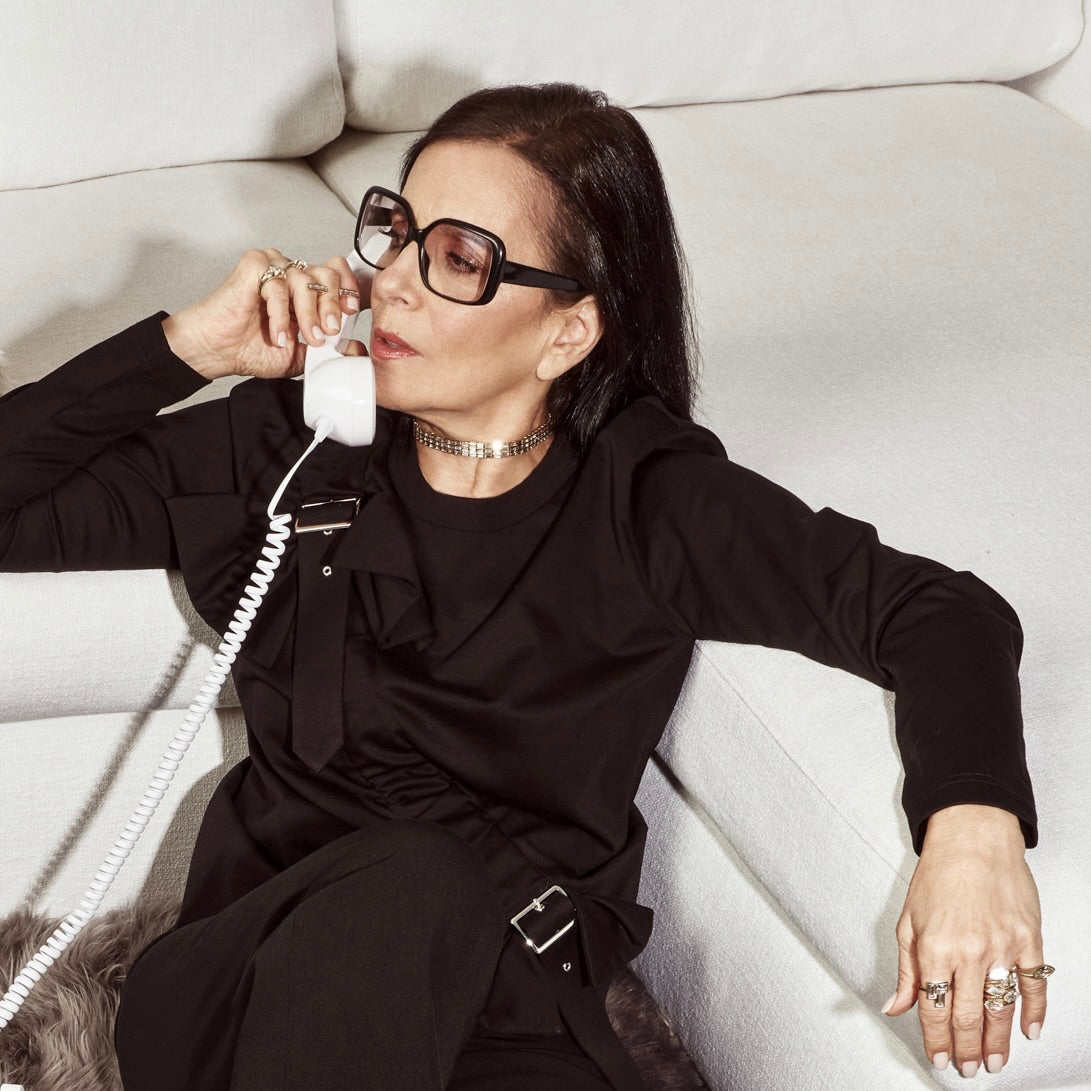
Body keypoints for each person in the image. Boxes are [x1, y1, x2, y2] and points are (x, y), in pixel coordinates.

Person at [0, 83, 1048, 1089]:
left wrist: (971, 827)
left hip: (504, 1014)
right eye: (400, 230)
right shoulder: (286, 446)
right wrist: (190, 347)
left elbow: (935, 610)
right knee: (413, 881)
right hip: (248, 990)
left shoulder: (649, 499)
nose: (396, 279)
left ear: (566, 330)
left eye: (458, 257)